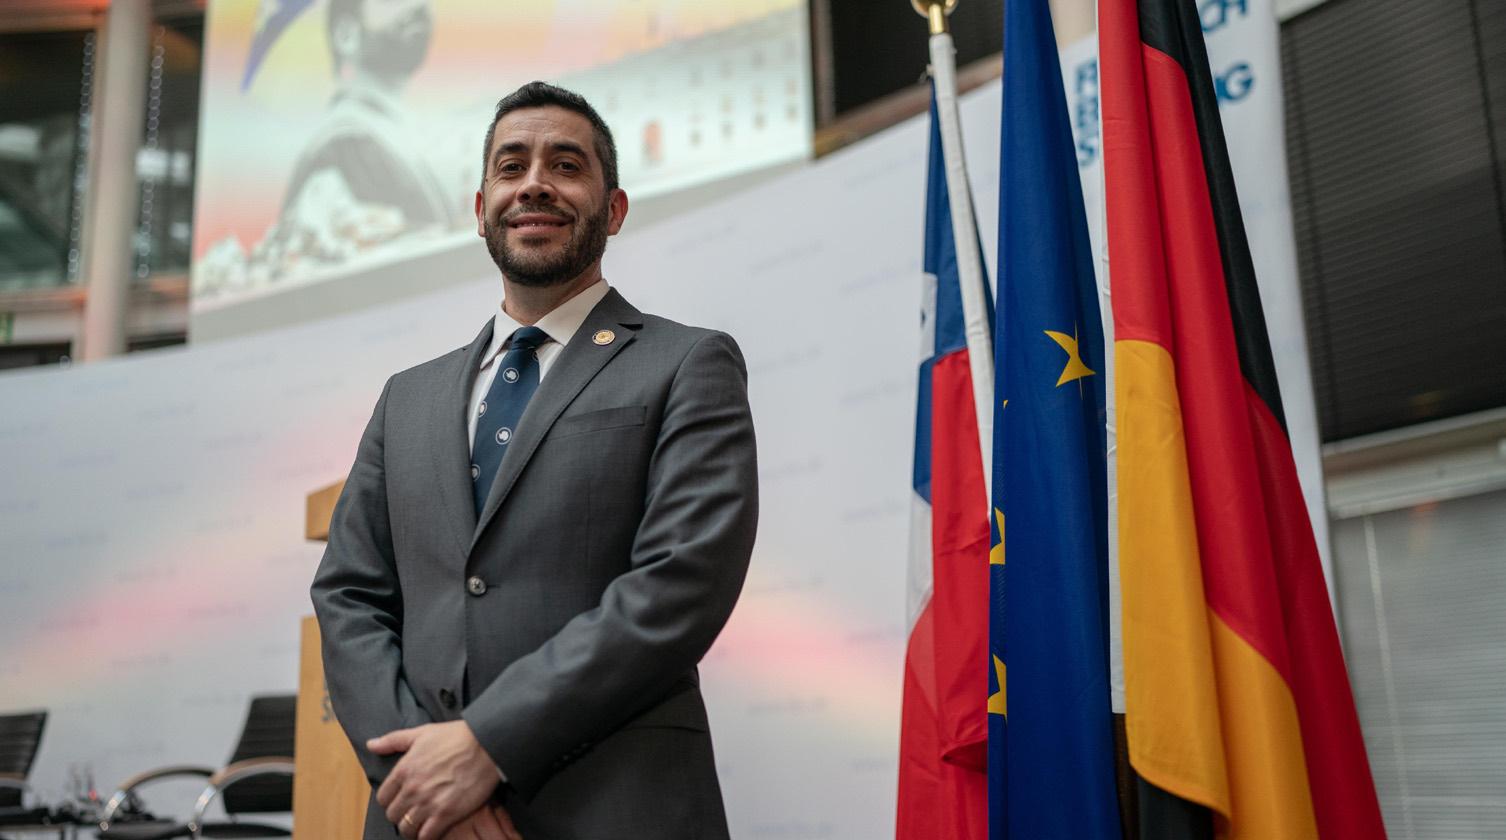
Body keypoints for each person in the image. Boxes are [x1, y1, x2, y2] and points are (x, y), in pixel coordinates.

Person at [311, 81, 759, 840]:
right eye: (511, 166)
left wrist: (487, 746)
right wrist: (421, 784)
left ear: (613, 209)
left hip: (617, 806)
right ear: (480, 206)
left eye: (566, 165)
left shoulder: (687, 363)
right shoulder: (406, 398)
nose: (534, 185)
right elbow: (349, 594)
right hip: (425, 820)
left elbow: (681, 582)